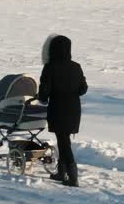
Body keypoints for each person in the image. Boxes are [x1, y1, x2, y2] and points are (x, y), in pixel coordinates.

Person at [37, 34, 87, 186]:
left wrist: (42, 98)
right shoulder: (76, 66)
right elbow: (83, 89)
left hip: (58, 109)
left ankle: (72, 177)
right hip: (73, 109)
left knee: (63, 142)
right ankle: (61, 173)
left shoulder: (50, 67)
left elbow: (44, 91)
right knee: (64, 141)